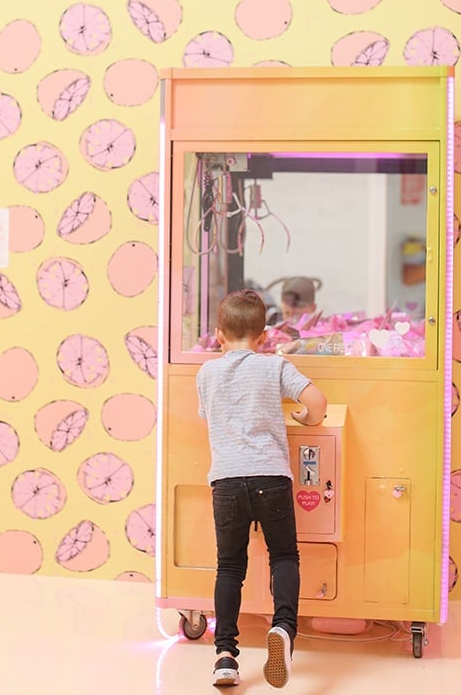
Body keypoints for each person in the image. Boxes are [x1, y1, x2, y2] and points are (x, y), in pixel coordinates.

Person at [196, 289, 327, 688]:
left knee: (230, 567)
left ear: (219, 335)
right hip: (271, 477)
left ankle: (224, 656)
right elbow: (317, 403)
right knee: (284, 556)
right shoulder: (274, 366)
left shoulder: (206, 373)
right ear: (264, 335)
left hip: (227, 481)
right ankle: (284, 629)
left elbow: (208, 416)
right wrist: (304, 417)